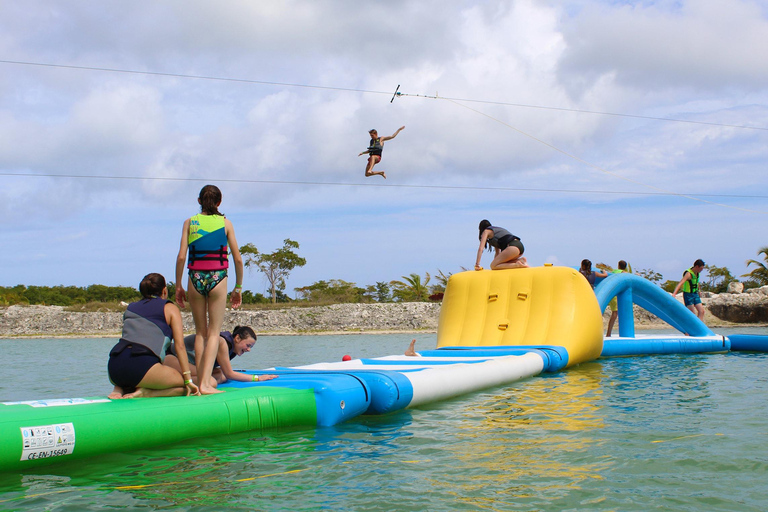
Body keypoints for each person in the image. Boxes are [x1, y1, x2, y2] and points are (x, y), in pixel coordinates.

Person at [175, 184, 244, 395]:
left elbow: (181, 257)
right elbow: (238, 259)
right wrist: (238, 287)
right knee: (214, 332)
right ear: (219, 203)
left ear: (199, 201)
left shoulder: (189, 222)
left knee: (200, 333)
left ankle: (198, 385)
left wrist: (178, 285)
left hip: (194, 277)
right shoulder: (226, 223)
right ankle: (205, 384)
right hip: (218, 277)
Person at [107, 273, 200, 399]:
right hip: (143, 366)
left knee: (132, 366)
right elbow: (180, 346)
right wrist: (188, 379)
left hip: (114, 367)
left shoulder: (130, 308)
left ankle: (119, 389)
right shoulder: (170, 308)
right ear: (164, 290)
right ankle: (147, 393)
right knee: (191, 383)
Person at [164, 326, 278, 387]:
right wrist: (257, 378)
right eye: (248, 345)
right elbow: (230, 373)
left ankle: (188, 381)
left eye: (251, 347)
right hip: (172, 358)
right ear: (237, 338)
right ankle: (175, 383)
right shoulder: (223, 342)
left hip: (190, 365)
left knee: (221, 376)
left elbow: (226, 374)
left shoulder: (232, 349)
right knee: (214, 380)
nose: (248, 350)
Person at [606, 260, 630, 337]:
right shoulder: (623, 273)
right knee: (616, 314)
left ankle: (609, 333)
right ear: (625, 267)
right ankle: (609, 333)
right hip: (617, 295)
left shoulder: (613, 272)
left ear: (618, 265)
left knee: (615, 313)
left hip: (613, 295)